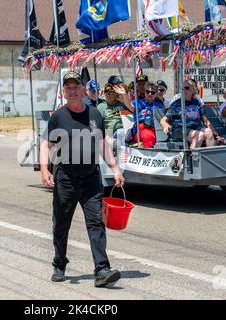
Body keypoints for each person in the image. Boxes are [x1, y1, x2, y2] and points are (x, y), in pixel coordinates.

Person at [40, 71, 124, 288]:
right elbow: (45, 144)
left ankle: (102, 270)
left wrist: (114, 168)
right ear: (64, 92)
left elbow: (103, 142)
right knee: (61, 224)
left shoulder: (95, 114)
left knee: (96, 222)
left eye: (76, 86)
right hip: (66, 178)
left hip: (91, 178)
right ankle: (59, 263)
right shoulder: (58, 116)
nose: (72, 90)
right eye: (68, 87)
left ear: (84, 89)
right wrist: (44, 169)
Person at [160, 79, 224, 149]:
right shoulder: (176, 104)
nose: (184, 90)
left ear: (193, 90)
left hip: (195, 128)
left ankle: (210, 157)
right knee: (200, 135)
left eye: (187, 88)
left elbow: (205, 120)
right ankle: (193, 158)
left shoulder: (197, 103)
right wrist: (165, 124)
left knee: (208, 132)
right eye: (182, 88)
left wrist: (215, 135)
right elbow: (163, 120)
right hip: (180, 129)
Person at [131, 82, 165, 147]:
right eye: (147, 91)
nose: (150, 94)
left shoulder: (160, 106)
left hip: (157, 129)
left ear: (156, 94)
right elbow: (129, 106)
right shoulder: (137, 103)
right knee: (149, 137)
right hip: (141, 129)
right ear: (144, 92)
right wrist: (124, 96)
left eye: (153, 93)